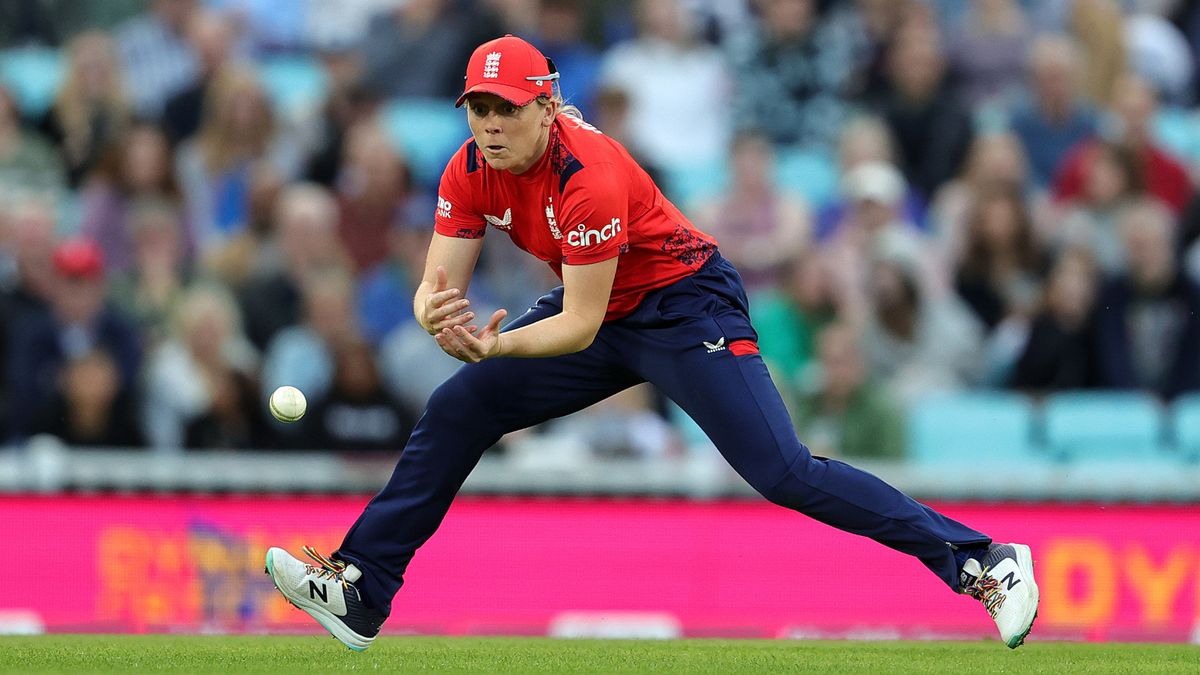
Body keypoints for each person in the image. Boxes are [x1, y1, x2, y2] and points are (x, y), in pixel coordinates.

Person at [264, 35, 1039, 652]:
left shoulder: (588, 175)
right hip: (601, 304)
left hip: (685, 307)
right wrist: (437, 315)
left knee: (783, 469)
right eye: (477, 108)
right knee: (458, 407)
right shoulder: (470, 164)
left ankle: (982, 560)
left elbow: (579, 326)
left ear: (548, 105)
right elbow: (437, 285)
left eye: (505, 108)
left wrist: (494, 347)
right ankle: (364, 585)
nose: (490, 124)